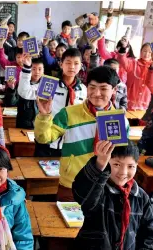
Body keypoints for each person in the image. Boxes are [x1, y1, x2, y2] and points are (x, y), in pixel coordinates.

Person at [35, 66, 128, 201]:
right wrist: (44, 116)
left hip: (105, 186)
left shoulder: (120, 121)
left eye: (103, 88)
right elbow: (43, 138)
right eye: (92, 87)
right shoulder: (69, 113)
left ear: (114, 90)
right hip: (71, 183)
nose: (96, 93)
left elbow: (122, 157)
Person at [72, 141, 153, 249]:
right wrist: (100, 163)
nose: (123, 172)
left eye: (130, 166)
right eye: (117, 164)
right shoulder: (99, 190)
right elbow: (82, 195)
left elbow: (149, 235)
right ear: (107, 163)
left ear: (137, 166)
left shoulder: (141, 197)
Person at [34, 48, 87, 157]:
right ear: (61, 64)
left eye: (76, 63)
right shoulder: (49, 84)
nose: (72, 67)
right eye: (68, 63)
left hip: (70, 144)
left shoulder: (83, 89)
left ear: (81, 65)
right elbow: (40, 109)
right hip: (47, 141)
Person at [116, 42, 153, 111]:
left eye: (150, 52)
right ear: (141, 51)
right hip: (129, 102)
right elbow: (122, 61)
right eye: (145, 51)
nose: (147, 54)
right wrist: (123, 48)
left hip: (144, 105)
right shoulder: (133, 63)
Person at [16, 56, 44, 129]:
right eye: (33, 69)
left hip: (40, 125)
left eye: (40, 69)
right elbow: (24, 92)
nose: (37, 72)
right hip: (23, 125)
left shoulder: (46, 85)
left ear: (43, 71)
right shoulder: (23, 84)